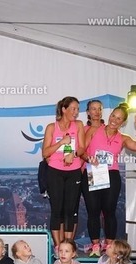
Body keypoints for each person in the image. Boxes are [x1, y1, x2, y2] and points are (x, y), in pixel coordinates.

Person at [81, 102, 136, 257]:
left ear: (123, 122)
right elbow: (81, 150)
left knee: (109, 211)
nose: (114, 120)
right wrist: (88, 158)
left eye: (119, 119)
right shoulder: (93, 130)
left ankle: (109, 245)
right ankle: (95, 246)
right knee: (93, 211)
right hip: (93, 172)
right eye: (113, 116)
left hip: (111, 175)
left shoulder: (123, 138)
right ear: (109, 116)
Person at [41, 97, 87, 254]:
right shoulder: (51, 127)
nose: (76, 112)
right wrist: (61, 142)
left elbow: (82, 148)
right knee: (57, 210)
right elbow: (45, 152)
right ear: (64, 109)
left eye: (78, 109)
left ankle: (68, 246)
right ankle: (58, 246)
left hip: (74, 171)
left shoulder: (78, 125)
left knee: (70, 210)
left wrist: (73, 154)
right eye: (73, 108)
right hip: (55, 171)